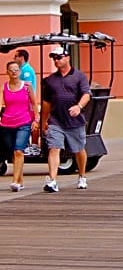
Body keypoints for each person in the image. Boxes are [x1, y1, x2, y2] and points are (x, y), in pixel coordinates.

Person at [40, 45, 91, 192]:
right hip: (56, 120)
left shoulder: (79, 76)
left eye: (59, 57)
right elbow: (47, 103)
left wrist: (79, 107)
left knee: (79, 149)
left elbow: (86, 94)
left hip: (74, 121)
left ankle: (82, 176)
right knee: (53, 148)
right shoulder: (50, 80)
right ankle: (53, 180)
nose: (56, 61)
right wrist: (44, 122)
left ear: (67, 57)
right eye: (54, 58)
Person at [0, 60, 39, 191]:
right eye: (11, 70)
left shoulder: (27, 86)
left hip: (24, 122)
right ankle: (20, 180)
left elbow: (34, 103)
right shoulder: (4, 87)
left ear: (20, 71)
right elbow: (1, 104)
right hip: (7, 123)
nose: (14, 73)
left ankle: (15, 181)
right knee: (13, 152)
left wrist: (36, 119)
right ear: (7, 72)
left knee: (18, 150)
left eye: (16, 70)